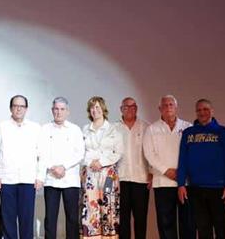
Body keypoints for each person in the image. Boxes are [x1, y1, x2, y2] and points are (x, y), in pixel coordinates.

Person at [177, 99, 225, 239]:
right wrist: (180, 184)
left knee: (220, 228)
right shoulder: (188, 133)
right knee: (203, 229)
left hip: (219, 189)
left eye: (205, 109)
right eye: (199, 110)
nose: (202, 112)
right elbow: (183, 160)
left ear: (212, 111)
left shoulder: (223, 132)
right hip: (195, 188)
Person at [143, 95, 194, 239]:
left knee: (188, 222)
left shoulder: (188, 127)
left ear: (176, 107)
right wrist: (166, 170)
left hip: (185, 182)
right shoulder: (152, 129)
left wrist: (182, 173)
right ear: (160, 109)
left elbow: (193, 152)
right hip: (162, 182)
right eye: (165, 105)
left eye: (171, 104)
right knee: (166, 223)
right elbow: (149, 154)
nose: (168, 107)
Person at [0, 95, 40, 239]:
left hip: (28, 179)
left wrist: (40, 177)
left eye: (22, 106)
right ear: (11, 108)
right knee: (8, 219)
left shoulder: (35, 128)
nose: (18, 109)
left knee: (27, 218)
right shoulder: (2, 126)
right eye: (15, 106)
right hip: (7, 179)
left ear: (26, 109)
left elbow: (41, 154)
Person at [37, 97, 84, 239]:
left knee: (72, 218)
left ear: (67, 112)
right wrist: (53, 167)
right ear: (52, 110)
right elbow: (40, 152)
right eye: (56, 109)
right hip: (51, 179)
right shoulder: (44, 129)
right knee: (50, 218)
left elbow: (80, 153)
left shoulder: (75, 129)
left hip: (70, 179)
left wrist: (63, 167)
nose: (59, 112)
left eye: (62, 109)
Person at [81, 96, 124, 239]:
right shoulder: (85, 129)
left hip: (108, 174)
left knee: (108, 206)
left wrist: (102, 162)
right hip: (90, 174)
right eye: (92, 107)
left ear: (103, 109)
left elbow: (118, 152)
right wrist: (91, 162)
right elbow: (81, 151)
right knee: (90, 207)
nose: (95, 110)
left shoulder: (113, 129)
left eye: (98, 107)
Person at [116, 97, 151, 239]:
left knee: (140, 218)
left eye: (132, 106)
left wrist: (152, 173)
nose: (129, 109)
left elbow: (150, 153)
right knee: (123, 219)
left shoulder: (146, 127)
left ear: (136, 108)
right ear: (121, 109)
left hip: (141, 179)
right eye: (126, 107)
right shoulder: (114, 128)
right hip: (121, 179)